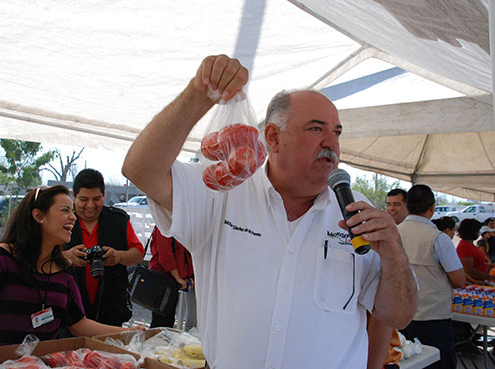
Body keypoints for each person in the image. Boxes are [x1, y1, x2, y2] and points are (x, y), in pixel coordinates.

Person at [122, 54, 417, 369]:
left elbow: (397, 315)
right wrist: (198, 93)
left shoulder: (358, 213)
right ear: (274, 137)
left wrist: (394, 254)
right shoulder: (222, 189)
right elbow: (140, 169)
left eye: (337, 132)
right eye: (316, 129)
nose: (331, 142)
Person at [0, 185, 143, 361]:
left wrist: (129, 332)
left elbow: (80, 324)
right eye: (65, 210)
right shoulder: (2, 258)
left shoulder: (64, 270)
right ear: (39, 216)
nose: (73, 217)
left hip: (42, 364)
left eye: (72, 211)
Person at [63, 169, 144, 326]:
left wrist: (118, 257)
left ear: (104, 195)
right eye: (84, 199)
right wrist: (67, 257)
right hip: (67, 309)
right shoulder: (62, 220)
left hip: (111, 308)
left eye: (97, 199)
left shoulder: (118, 220)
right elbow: (40, 257)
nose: (90, 205)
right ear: (73, 196)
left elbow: (138, 254)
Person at [399, 184, 465, 369]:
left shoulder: (393, 233)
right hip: (433, 319)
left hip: (400, 315)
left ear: (407, 206)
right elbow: (459, 280)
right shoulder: (438, 238)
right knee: (437, 363)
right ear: (432, 207)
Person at [367, 189, 410, 369]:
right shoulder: (378, 230)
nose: (392, 209)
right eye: (389, 204)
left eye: (397, 204)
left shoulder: (388, 235)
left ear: (408, 206)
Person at [148, 226, 196, 330]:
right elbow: (166, 257)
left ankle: (160, 344)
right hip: (163, 280)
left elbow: (183, 255)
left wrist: (188, 276)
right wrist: (179, 278)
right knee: (161, 323)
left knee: (167, 320)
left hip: (171, 280)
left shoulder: (175, 227)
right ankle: (157, 345)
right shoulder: (164, 227)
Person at [456, 219, 495, 283]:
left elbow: (476, 263)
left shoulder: (470, 245)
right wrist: (489, 277)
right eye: (477, 231)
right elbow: (468, 269)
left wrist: (489, 266)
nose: (478, 233)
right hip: (474, 283)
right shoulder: (465, 247)